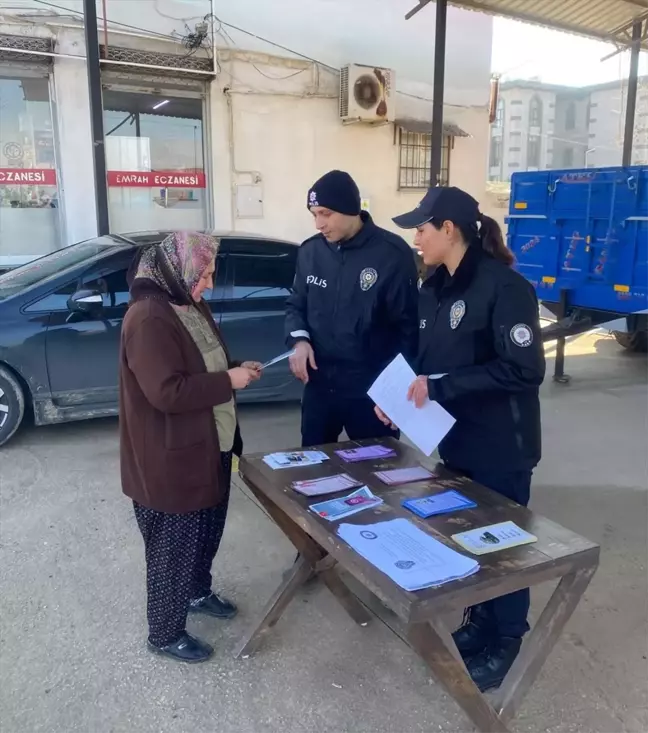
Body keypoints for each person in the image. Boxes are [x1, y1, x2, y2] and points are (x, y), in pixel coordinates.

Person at [380, 187, 546, 692]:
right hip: (457, 444)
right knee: (469, 539)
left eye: (422, 229)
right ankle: (479, 621)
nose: (416, 238)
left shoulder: (505, 288)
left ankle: (507, 639)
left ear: (448, 228)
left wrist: (442, 386)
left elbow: (525, 369)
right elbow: (424, 361)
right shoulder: (433, 289)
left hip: (501, 446)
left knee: (504, 549)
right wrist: (395, 396)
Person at [119, 232, 263, 664]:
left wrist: (235, 370)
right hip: (170, 459)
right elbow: (166, 392)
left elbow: (201, 363)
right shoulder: (147, 318)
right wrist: (227, 383)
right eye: (205, 274)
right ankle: (164, 633)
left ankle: (197, 591)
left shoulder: (188, 302)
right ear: (179, 270)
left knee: (205, 532)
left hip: (210, 447)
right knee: (172, 548)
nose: (210, 285)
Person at [286, 169, 419, 447]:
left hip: (371, 391)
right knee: (314, 468)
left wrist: (395, 394)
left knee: (379, 471)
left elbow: (409, 329)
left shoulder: (392, 254)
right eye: (313, 214)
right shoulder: (311, 252)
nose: (318, 224)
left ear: (351, 209)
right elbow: (296, 305)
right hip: (320, 386)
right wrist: (299, 340)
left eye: (325, 213)